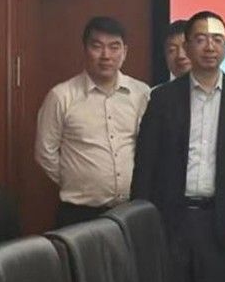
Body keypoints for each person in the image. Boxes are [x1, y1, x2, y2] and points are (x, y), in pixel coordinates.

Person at [132, 10, 225, 282]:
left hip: (221, 222)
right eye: (201, 39)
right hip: (171, 219)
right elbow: (146, 165)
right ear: (187, 47)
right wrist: (142, 225)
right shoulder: (163, 98)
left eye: (217, 40)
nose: (210, 47)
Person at [35, 16, 151, 227]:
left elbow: (147, 148)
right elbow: (45, 152)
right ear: (85, 49)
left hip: (129, 211)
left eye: (114, 47)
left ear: (125, 51)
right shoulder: (61, 96)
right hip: (79, 213)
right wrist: (75, 180)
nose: (106, 55)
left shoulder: (141, 93)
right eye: (97, 46)